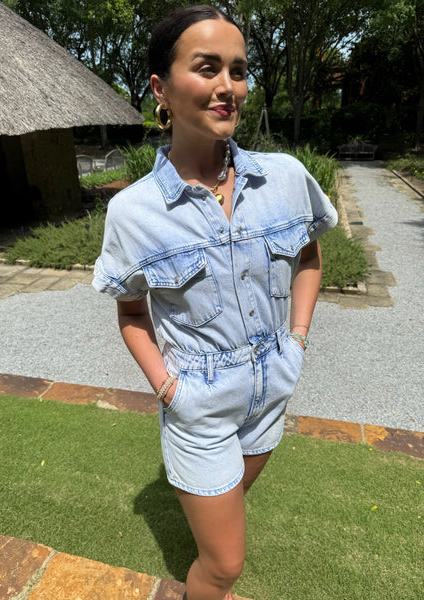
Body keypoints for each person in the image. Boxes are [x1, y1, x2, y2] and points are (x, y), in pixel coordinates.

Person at [93, 5, 338, 599]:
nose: (229, 86)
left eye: (238, 70)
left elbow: (309, 258)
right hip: (198, 403)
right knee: (225, 565)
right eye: (208, 68)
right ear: (161, 89)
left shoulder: (284, 178)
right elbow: (131, 312)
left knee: (226, 513)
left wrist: (297, 342)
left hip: (272, 388)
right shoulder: (133, 211)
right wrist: (169, 389)